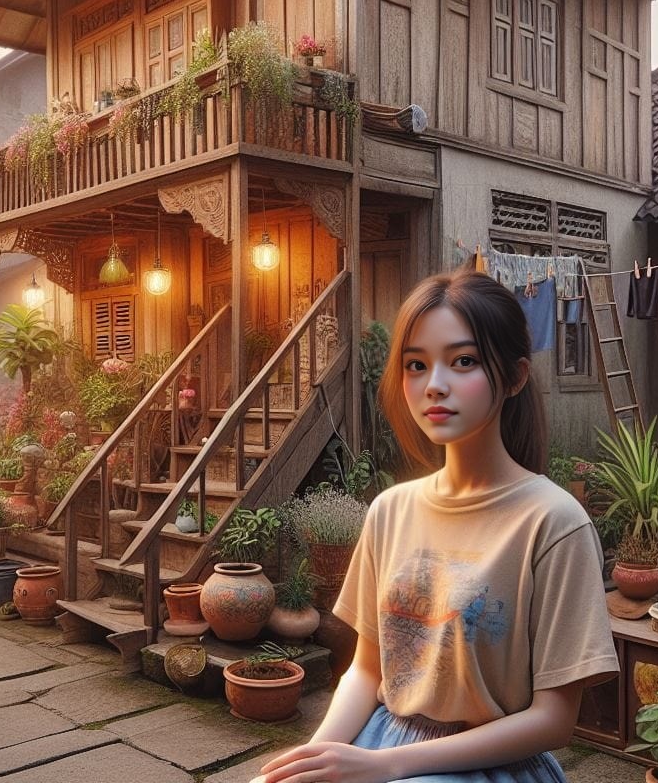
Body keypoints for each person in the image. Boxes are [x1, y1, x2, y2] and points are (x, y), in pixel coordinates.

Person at [252, 269, 618, 783]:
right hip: (381, 744)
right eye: (416, 365)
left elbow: (554, 719)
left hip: (489, 765)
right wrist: (311, 760)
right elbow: (367, 669)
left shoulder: (553, 523)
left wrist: (386, 765)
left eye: (463, 361)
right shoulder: (391, 510)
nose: (435, 386)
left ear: (514, 377)